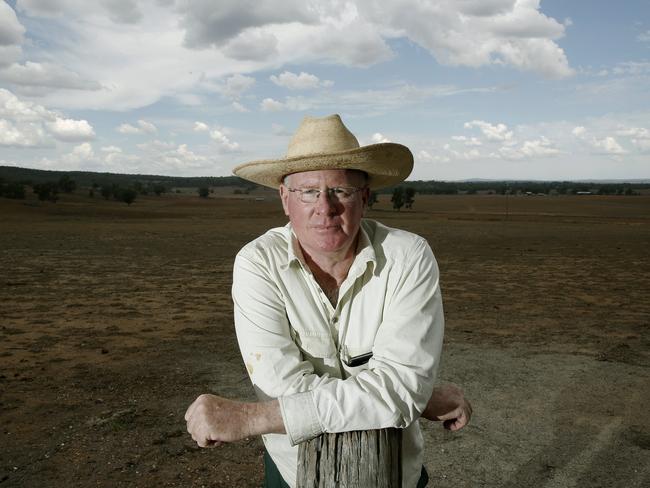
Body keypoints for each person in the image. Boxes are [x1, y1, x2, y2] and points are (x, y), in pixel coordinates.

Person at [185, 114, 472, 487]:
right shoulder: (257, 263)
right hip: (295, 470)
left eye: (341, 191)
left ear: (364, 197)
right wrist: (412, 398)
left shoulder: (408, 256)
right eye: (307, 191)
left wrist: (255, 417)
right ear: (285, 199)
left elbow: (400, 389)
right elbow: (285, 389)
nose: (325, 207)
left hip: (393, 471)